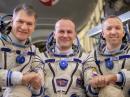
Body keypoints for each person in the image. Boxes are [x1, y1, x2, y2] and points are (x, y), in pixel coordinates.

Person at [34, 18, 89, 97]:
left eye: (69, 32)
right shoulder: (40, 58)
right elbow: (35, 92)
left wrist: (95, 83)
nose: (65, 35)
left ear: (74, 35)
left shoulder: (85, 59)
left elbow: (92, 90)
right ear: (54, 35)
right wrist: (36, 84)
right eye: (61, 31)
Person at [0, 4, 43, 97]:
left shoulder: (34, 51)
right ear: (12, 22)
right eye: (20, 21)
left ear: (34, 27)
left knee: (20, 90)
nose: (24, 27)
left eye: (29, 24)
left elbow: (38, 84)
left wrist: (36, 85)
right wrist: (20, 78)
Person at [84, 15, 130, 97]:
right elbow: (89, 90)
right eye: (109, 28)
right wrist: (96, 85)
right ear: (103, 34)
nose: (113, 32)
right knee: (108, 91)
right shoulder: (92, 58)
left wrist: (115, 77)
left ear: (123, 33)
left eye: (117, 28)